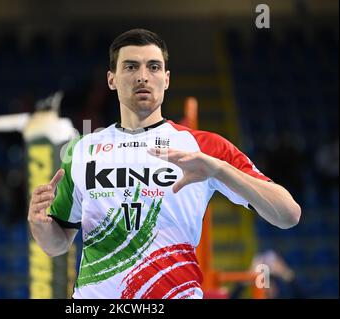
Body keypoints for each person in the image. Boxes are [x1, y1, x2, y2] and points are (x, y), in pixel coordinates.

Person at [27, 29, 301, 299]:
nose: (143, 77)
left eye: (154, 67)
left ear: (166, 79)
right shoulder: (82, 149)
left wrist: (219, 169)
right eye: (131, 67)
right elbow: (57, 244)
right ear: (111, 79)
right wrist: (40, 225)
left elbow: (288, 215)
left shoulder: (204, 147)